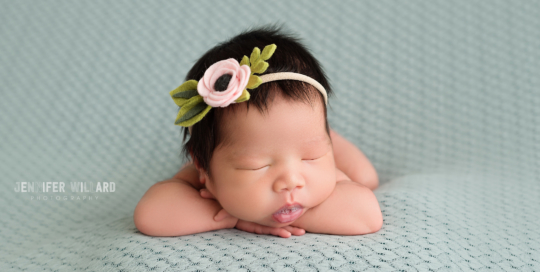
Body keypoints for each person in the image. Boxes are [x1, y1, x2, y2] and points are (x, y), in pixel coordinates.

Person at [134, 25, 382, 238]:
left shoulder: (324, 178)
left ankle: (330, 139)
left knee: (366, 178)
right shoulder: (197, 175)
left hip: (330, 149)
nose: (291, 181)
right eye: (256, 166)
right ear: (202, 166)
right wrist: (236, 217)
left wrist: (273, 216)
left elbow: (367, 216)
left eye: (311, 157)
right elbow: (150, 214)